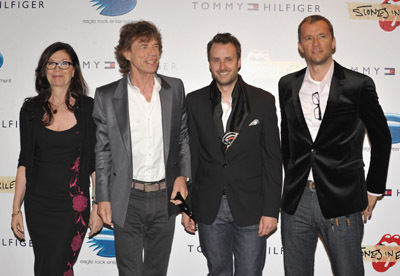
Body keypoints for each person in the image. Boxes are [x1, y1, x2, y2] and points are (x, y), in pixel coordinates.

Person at [279, 15, 392, 275]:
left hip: (343, 201)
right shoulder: (287, 85)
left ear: (333, 42)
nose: (315, 43)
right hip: (297, 202)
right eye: (308, 38)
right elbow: (288, 141)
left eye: (322, 36)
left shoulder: (358, 84)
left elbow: (382, 138)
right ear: (300, 46)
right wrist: (293, 179)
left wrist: (373, 190)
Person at [93, 21, 191, 276]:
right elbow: (102, 151)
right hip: (127, 197)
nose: (153, 53)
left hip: (165, 195)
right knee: (130, 271)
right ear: (126, 53)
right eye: (144, 46)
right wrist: (102, 197)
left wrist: (182, 176)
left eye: (156, 46)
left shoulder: (174, 88)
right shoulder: (106, 96)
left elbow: (182, 137)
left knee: (157, 271)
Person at [183, 33, 282, 276]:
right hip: (209, 207)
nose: (222, 66)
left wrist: (271, 210)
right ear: (209, 63)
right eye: (216, 60)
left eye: (228, 59)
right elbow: (190, 157)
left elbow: (272, 159)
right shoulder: (194, 101)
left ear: (239, 61)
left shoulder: (262, 101)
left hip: (251, 207)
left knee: (250, 272)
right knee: (218, 272)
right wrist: (187, 209)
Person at [11, 42, 103, 275]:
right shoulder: (30, 110)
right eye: (51, 63)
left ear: (74, 70)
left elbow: (93, 164)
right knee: (45, 267)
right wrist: (15, 210)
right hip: (38, 205)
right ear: (44, 70)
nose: (57, 68)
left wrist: (97, 205)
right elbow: (24, 162)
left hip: (73, 206)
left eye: (64, 63)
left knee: (59, 266)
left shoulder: (88, 108)